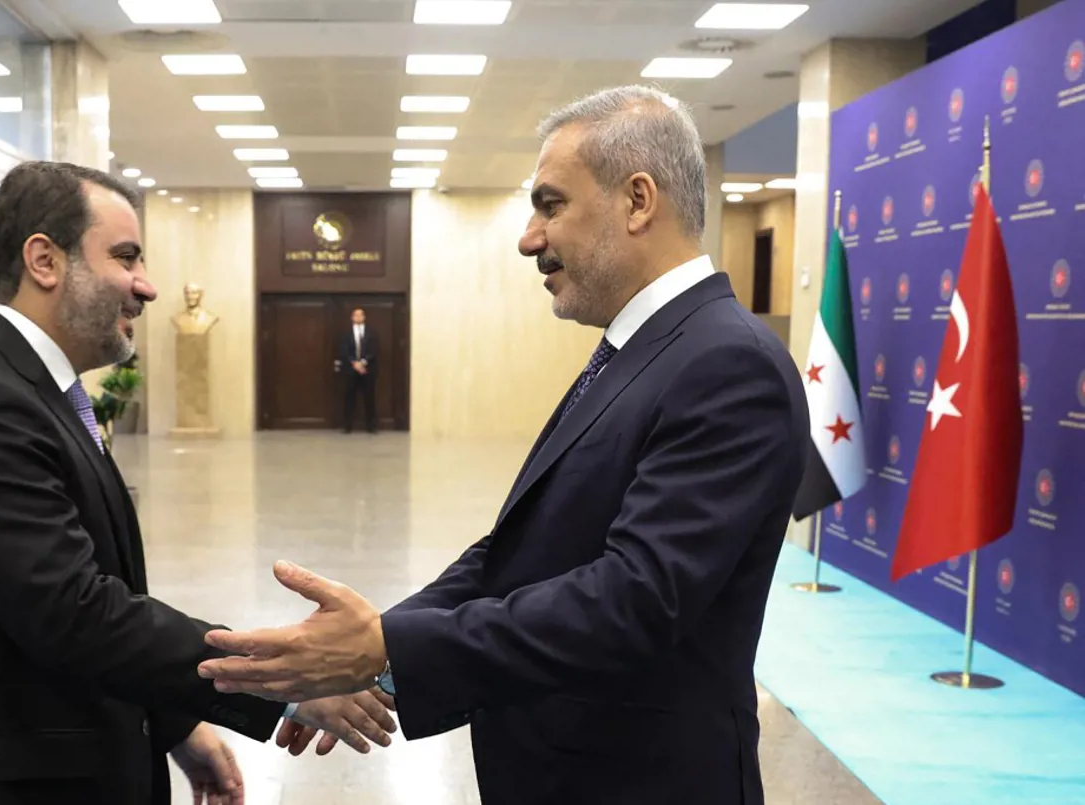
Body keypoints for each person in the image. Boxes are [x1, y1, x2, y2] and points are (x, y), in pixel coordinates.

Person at [195, 86, 811, 805]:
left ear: (637, 201)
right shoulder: (642, 348)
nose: (528, 237)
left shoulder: (725, 363)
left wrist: (386, 649)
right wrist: (372, 649)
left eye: (550, 205)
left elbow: (635, 599)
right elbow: (520, 551)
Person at [0, 161, 395, 805]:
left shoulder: (31, 392)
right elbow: (74, 613)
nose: (147, 286)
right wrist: (281, 677)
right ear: (44, 261)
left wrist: (173, 723)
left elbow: (73, 601)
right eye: (126, 257)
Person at [337, 307, 378, 432]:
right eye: (356, 315)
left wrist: (363, 362)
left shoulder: (371, 333)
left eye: (361, 315)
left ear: (364, 317)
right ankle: (347, 425)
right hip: (350, 370)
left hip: (367, 370)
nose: (358, 317)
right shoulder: (346, 334)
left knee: (369, 397)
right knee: (349, 397)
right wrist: (354, 363)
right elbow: (344, 351)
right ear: (352, 317)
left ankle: (371, 426)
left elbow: (374, 350)